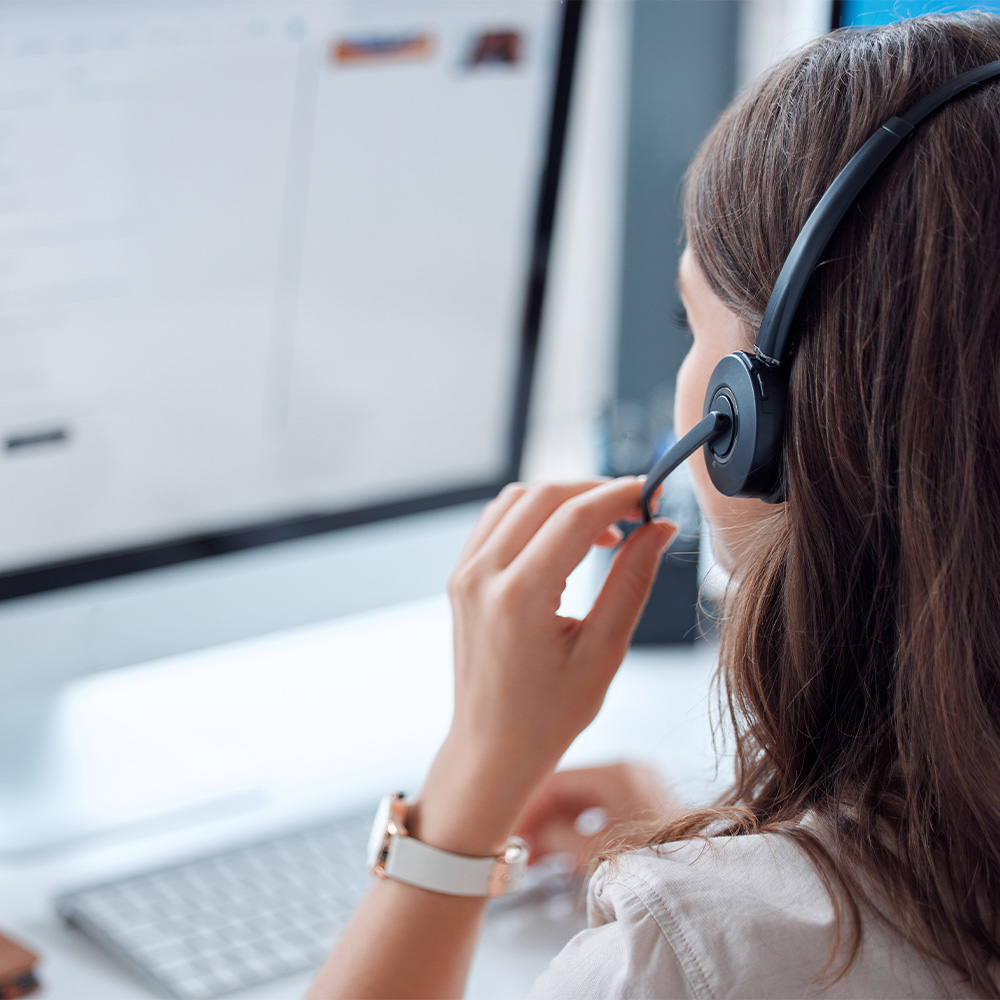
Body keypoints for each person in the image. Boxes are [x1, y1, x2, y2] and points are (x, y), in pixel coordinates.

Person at [307, 12, 1000, 998]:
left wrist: (467, 789)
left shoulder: (699, 953)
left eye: (693, 318)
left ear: (748, 416)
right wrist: (730, 837)